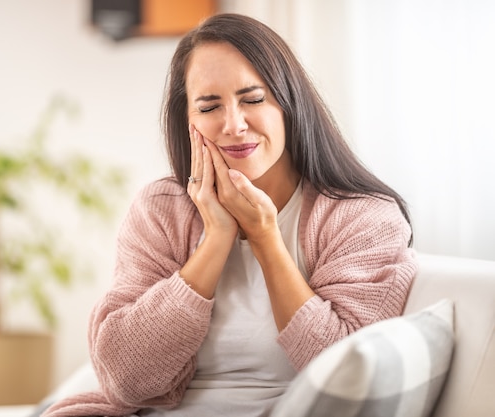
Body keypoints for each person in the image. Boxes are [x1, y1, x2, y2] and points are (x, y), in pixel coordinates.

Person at [42, 13, 417, 417]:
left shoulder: (362, 220)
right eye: (209, 107)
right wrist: (217, 239)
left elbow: (346, 374)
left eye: (253, 100)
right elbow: (125, 378)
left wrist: (266, 239)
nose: (234, 124)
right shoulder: (161, 210)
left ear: (289, 105)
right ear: (188, 121)